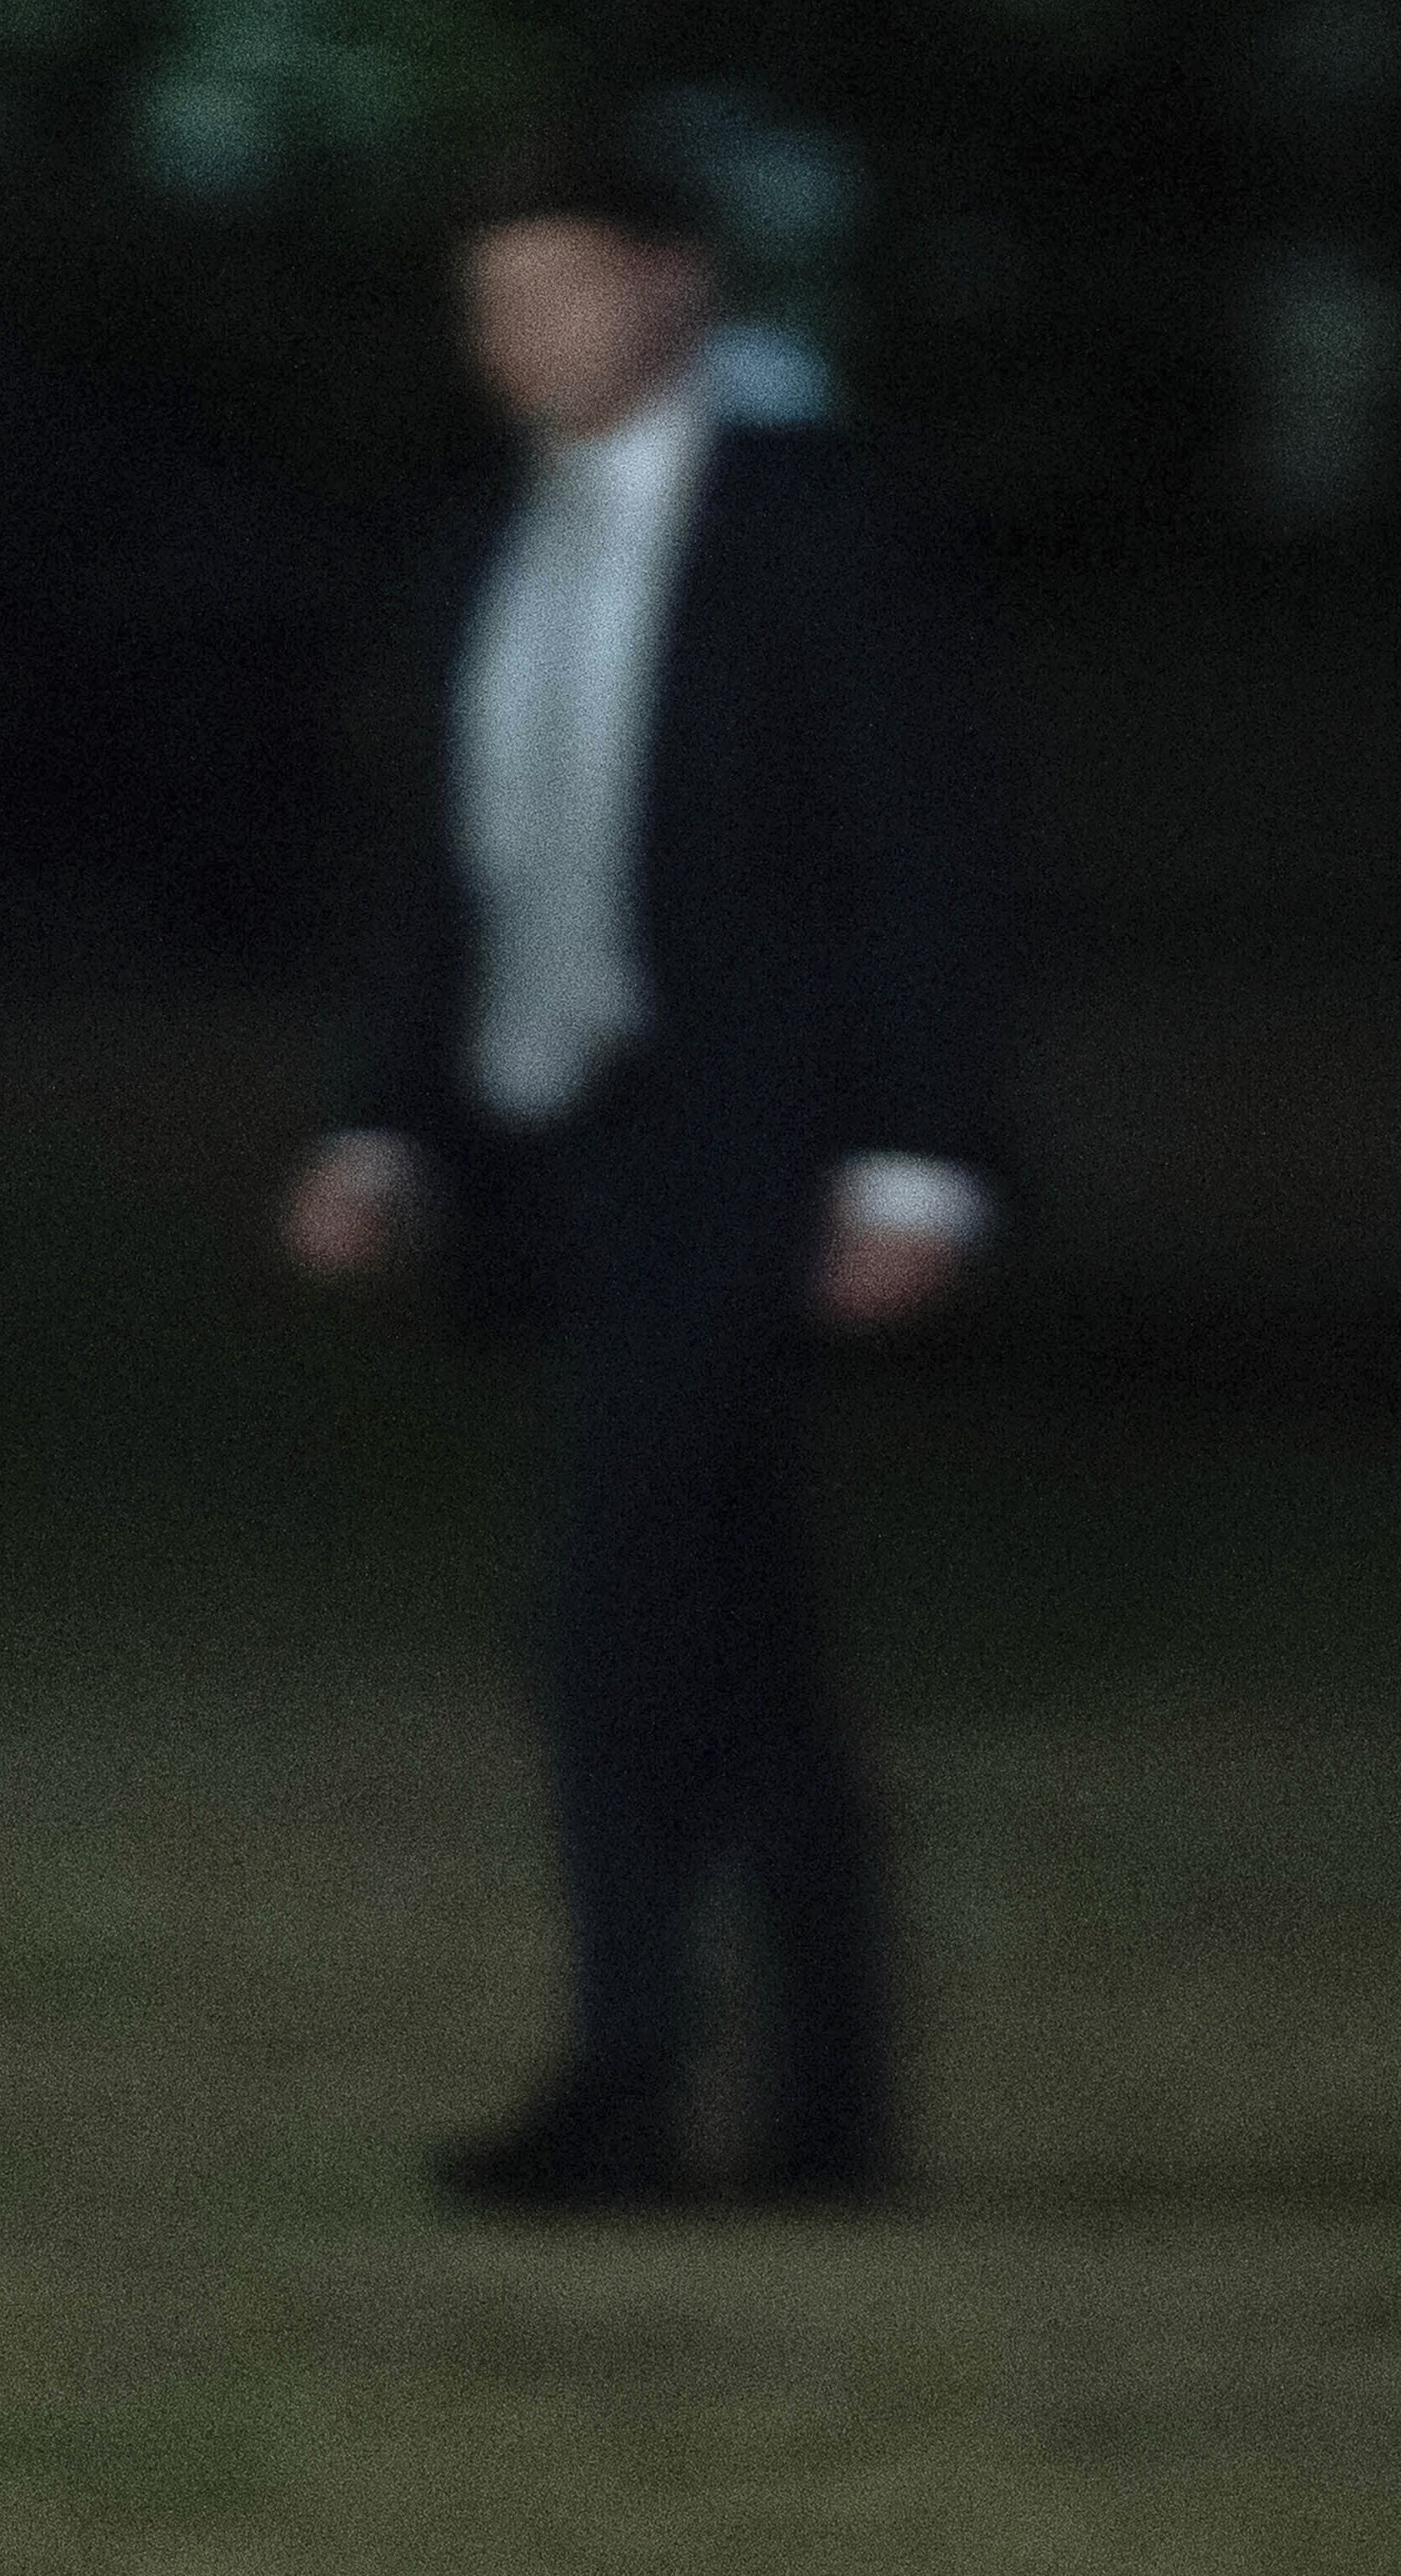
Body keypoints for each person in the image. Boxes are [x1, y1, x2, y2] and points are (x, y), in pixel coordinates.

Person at [282, 129, 1006, 2215]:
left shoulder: (814, 520)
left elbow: (918, 843)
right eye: (491, 300)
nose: (519, 337)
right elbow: (448, 861)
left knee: (618, 1616)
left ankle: (628, 2069)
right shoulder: (484, 540)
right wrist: (383, 1126)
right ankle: (827, 2105)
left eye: (561, 287)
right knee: (737, 1631)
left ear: (677, 285)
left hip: (742, 1142)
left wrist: (918, 1156)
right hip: (555, 1152)